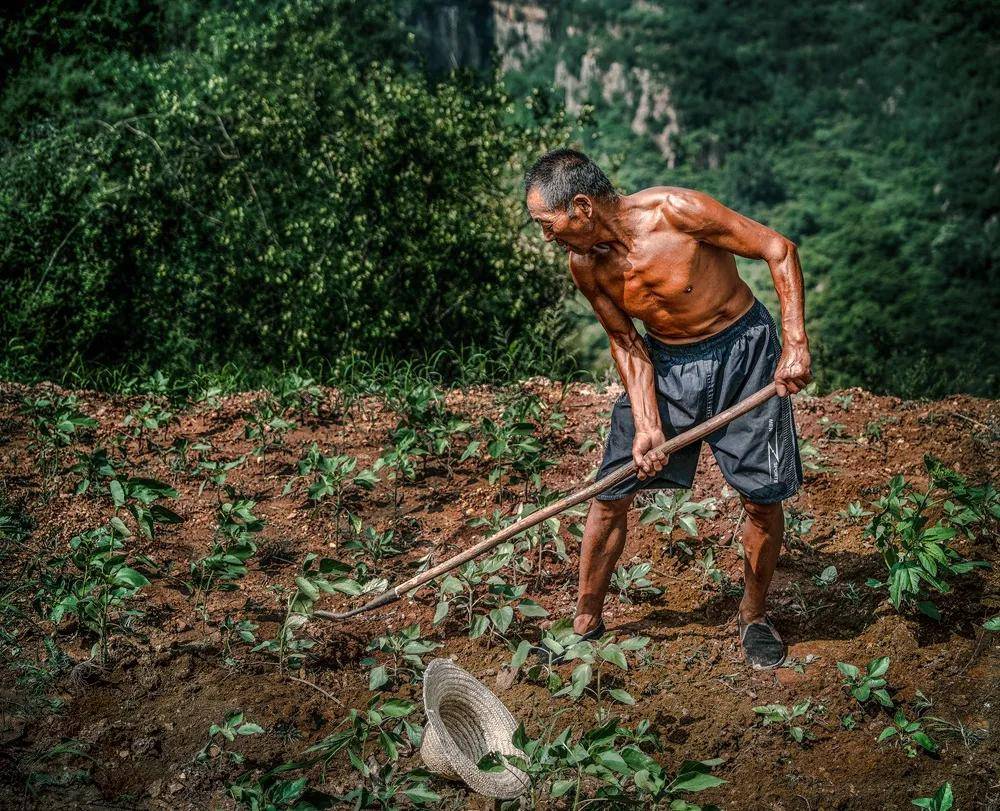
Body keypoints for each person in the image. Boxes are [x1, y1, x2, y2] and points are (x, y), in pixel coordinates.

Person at [523, 148, 812, 670]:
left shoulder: (678, 212)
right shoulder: (586, 265)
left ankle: (753, 615)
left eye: (549, 224)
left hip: (743, 352)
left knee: (761, 498)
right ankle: (585, 620)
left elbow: (778, 248)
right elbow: (624, 341)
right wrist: (648, 425)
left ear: (582, 208)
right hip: (666, 365)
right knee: (611, 491)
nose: (548, 237)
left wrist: (794, 342)